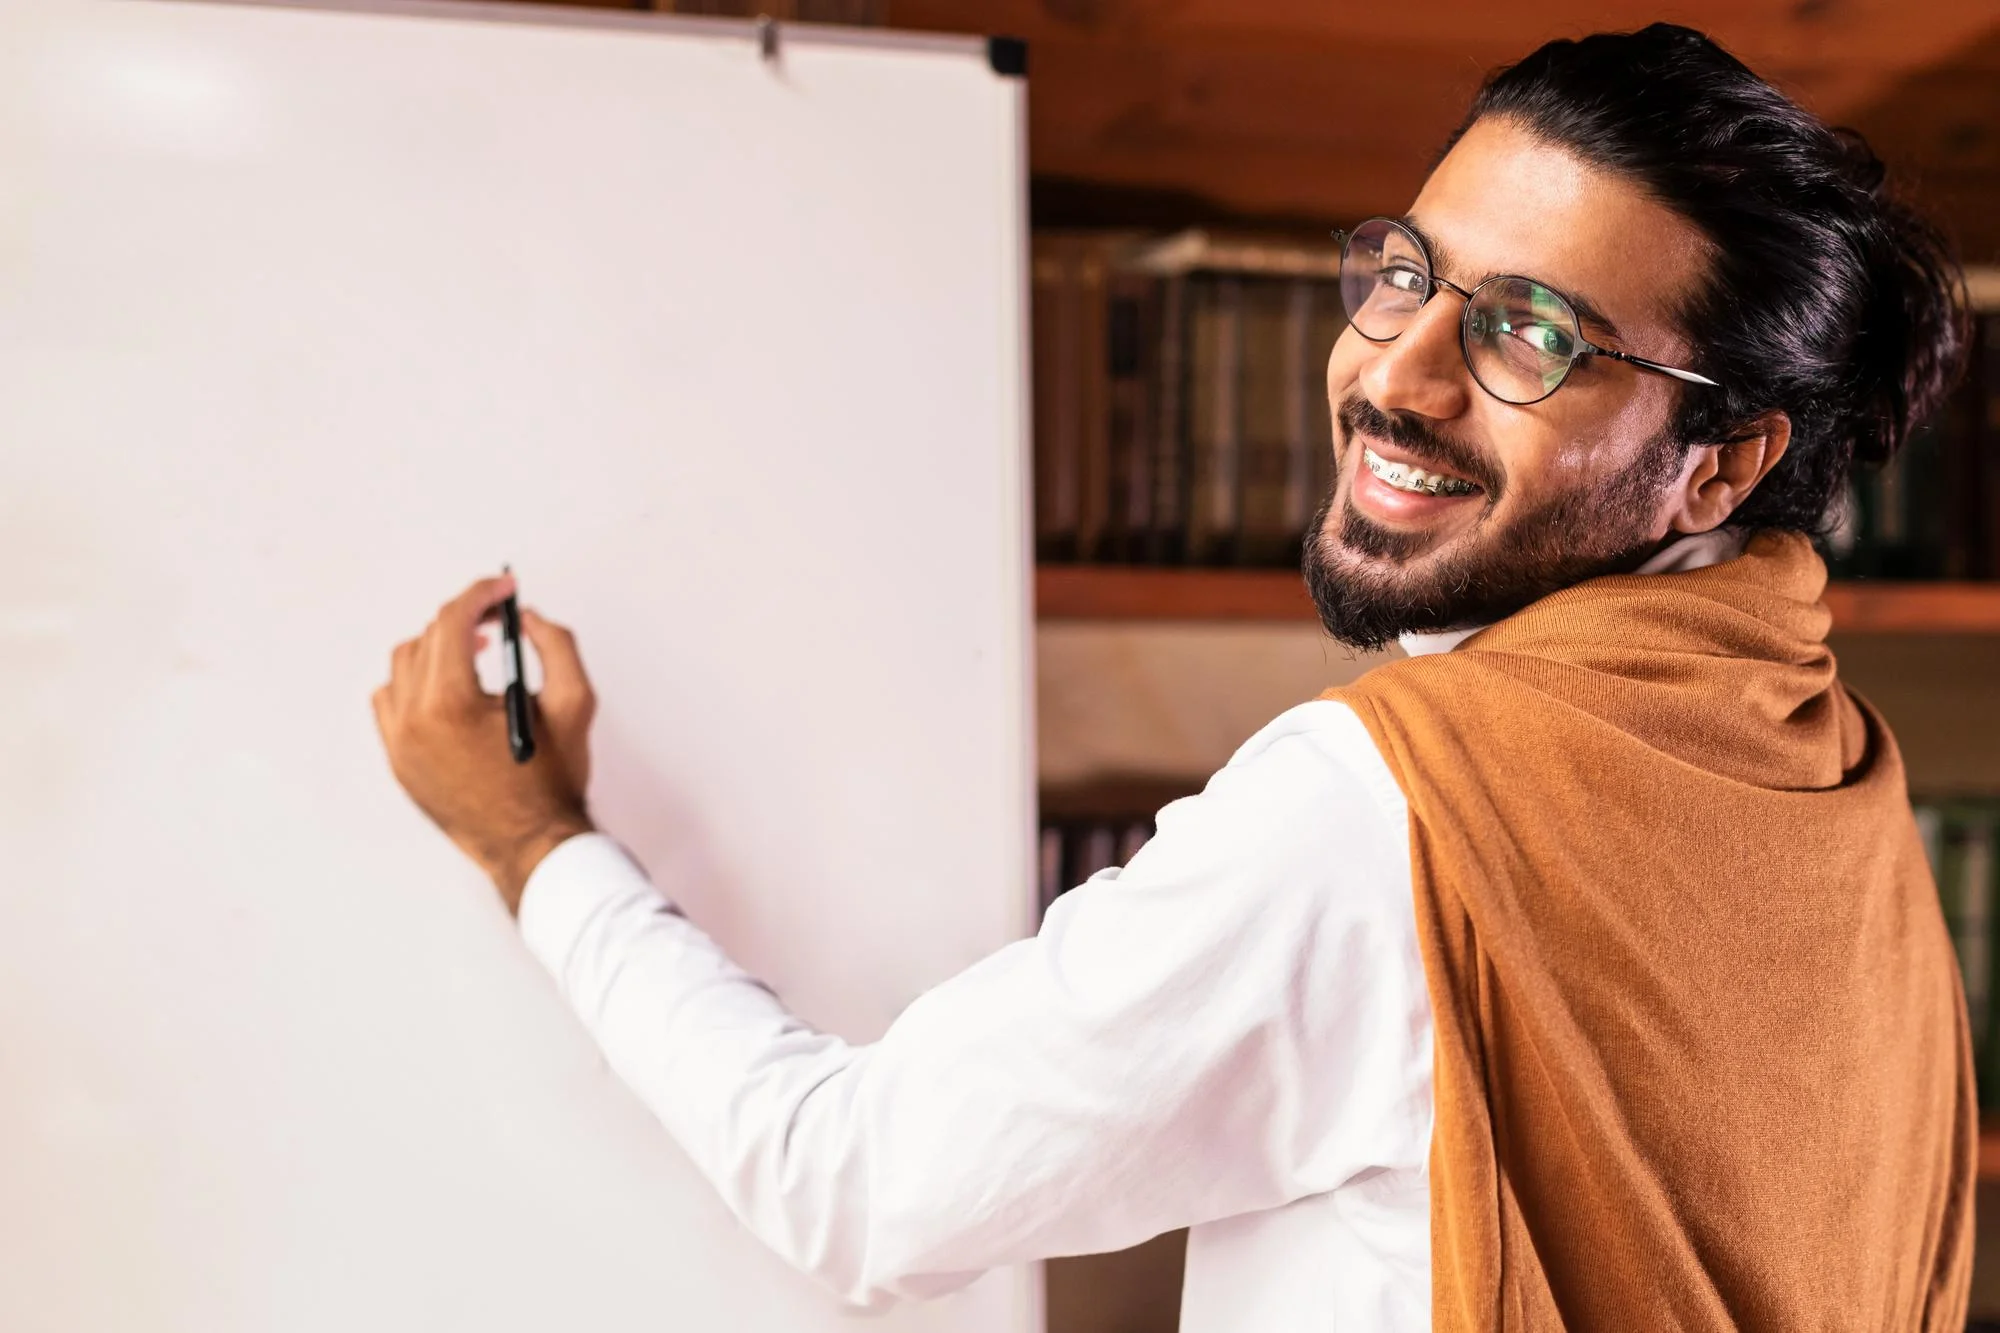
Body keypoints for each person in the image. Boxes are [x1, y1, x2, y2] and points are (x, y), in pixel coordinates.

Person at [372, 23, 1973, 1332]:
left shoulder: (1390, 811)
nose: (1393, 375)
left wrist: (531, 843)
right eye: (1410, 271)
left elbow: (858, 1193)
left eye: (1536, 337)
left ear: (1719, 466)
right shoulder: (1826, 767)